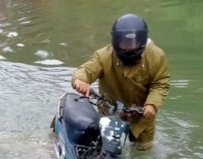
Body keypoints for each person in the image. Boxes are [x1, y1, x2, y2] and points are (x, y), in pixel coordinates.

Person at [71, 14, 170, 148]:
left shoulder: (157, 56)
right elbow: (88, 69)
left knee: (143, 151)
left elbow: (160, 83)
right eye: (124, 43)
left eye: (133, 43)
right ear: (116, 40)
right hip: (110, 114)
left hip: (143, 117)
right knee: (107, 150)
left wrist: (152, 104)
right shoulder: (104, 56)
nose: (128, 48)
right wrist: (80, 80)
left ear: (142, 39)